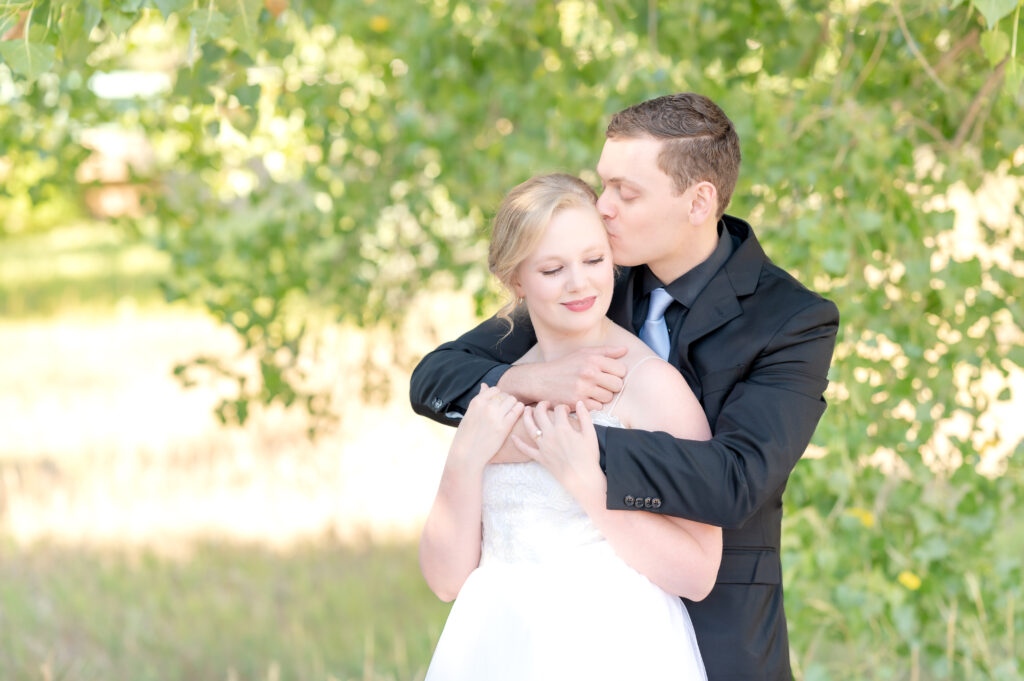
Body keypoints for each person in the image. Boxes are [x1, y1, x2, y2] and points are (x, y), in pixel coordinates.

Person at [410, 93, 840, 680]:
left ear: (699, 201)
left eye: (626, 193)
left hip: (714, 626)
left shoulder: (789, 319)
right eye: (602, 185)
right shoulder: (589, 276)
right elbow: (437, 376)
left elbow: (738, 479)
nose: (603, 208)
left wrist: (564, 443)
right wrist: (531, 382)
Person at [419, 173, 720, 680]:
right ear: (517, 280)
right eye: (553, 269)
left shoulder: (654, 389)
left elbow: (698, 573)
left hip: (613, 646)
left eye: (595, 260)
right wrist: (465, 456)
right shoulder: (497, 395)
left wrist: (588, 482)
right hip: (496, 645)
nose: (579, 283)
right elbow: (446, 581)